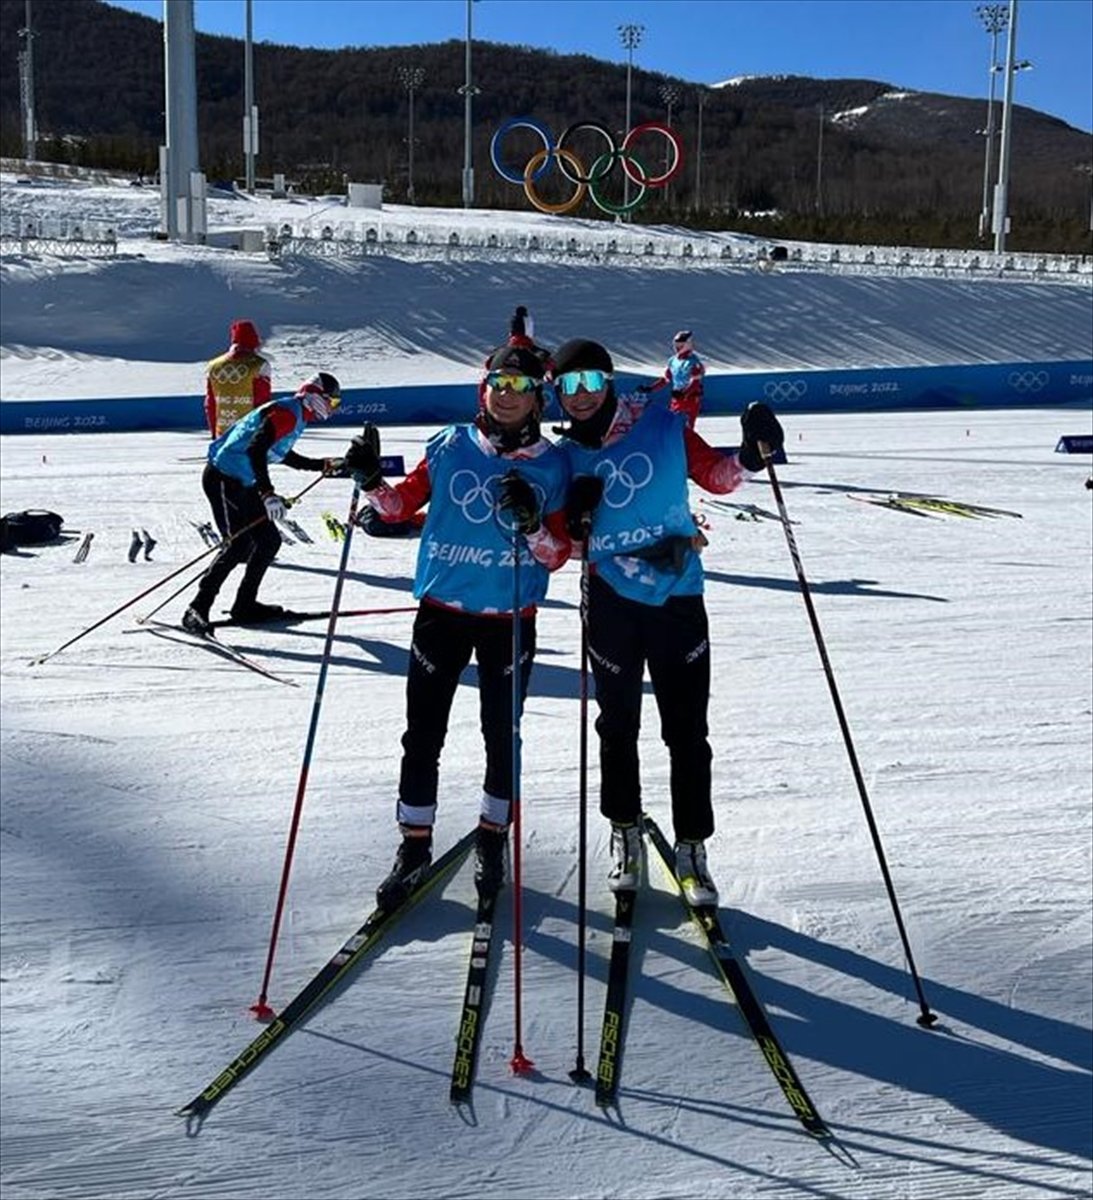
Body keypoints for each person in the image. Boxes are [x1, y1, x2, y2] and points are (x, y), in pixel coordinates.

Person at [552, 337, 784, 906]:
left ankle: (691, 846)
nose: (580, 397)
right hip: (610, 601)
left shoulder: (662, 422)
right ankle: (625, 829)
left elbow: (717, 475)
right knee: (617, 725)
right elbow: (558, 543)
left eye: (590, 382)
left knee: (687, 731)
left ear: (608, 382)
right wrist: (575, 521)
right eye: (568, 386)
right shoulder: (562, 456)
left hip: (678, 597)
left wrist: (753, 456)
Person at [341, 345, 571, 908]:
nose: (507, 395)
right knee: (422, 734)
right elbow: (397, 508)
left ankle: (493, 837)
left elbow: (557, 554)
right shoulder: (448, 445)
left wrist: (533, 523)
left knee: (501, 734)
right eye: (498, 383)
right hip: (440, 613)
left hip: (509, 619)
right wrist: (371, 479)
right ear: (483, 389)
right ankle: (414, 847)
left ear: (537, 398)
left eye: (520, 387)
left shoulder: (555, 462)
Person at [182, 372, 345, 633]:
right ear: (316, 396)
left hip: (243, 482)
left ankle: (244, 605)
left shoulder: (296, 415)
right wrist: (267, 493)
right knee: (238, 545)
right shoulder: (287, 414)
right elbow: (256, 449)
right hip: (223, 479)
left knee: (269, 541)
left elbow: (280, 453)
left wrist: (321, 465)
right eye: (332, 402)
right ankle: (197, 608)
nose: (332, 409)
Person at [205, 319, 272, 438]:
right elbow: (262, 403)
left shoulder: (213, 366)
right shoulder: (259, 365)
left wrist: (214, 433)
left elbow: (210, 404)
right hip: (249, 433)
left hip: (222, 432)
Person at [640, 329, 706, 430]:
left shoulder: (694, 362)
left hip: (690, 400)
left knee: (686, 428)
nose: (677, 347)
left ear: (688, 344)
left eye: (681, 344)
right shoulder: (672, 361)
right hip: (676, 400)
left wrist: (684, 393)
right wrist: (650, 388)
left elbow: (695, 382)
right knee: (671, 426)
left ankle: (686, 444)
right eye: (676, 344)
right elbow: (666, 379)